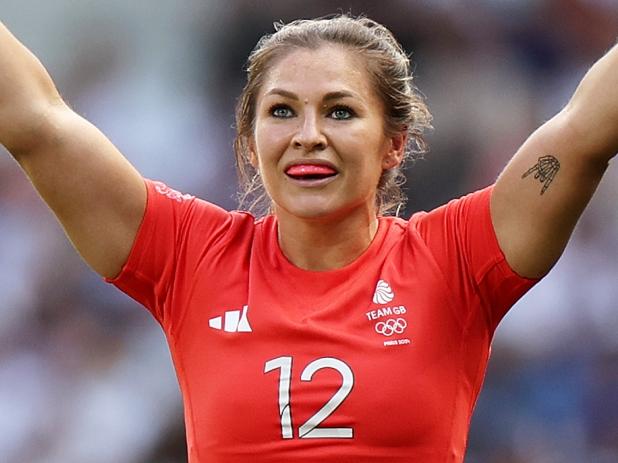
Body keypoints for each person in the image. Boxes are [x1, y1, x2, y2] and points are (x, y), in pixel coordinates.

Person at [0, 13, 616, 463]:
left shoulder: (455, 259)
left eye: (341, 111)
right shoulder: (188, 257)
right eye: (282, 111)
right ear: (249, 143)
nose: (309, 135)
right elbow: (36, 121)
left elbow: (586, 128)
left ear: (393, 144)